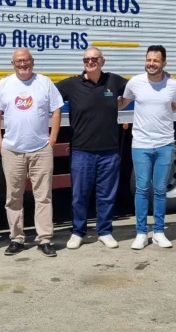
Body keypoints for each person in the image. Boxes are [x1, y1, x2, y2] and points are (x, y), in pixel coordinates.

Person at [0, 48, 63, 258]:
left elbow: (56, 109)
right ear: (12, 64)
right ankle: (16, 238)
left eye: (26, 60)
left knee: (44, 196)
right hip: (12, 150)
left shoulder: (44, 82)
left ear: (32, 61)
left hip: (41, 149)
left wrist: (52, 139)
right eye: (18, 61)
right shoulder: (4, 84)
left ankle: (45, 239)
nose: (22, 64)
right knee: (13, 197)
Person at [119, 45, 176, 250]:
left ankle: (158, 232)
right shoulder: (135, 82)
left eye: (156, 60)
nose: (151, 64)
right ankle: (141, 233)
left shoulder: (173, 85)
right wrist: (98, 104)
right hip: (141, 144)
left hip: (165, 144)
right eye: (148, 60)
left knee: (160, 190)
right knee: (142, 188)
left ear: (163, 63)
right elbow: (122, 103)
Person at [57, 47, 127, 250]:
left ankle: (104, 232)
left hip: (109, 151)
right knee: (80, 195)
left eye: (94, 59)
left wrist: (165, 78)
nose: (90, 62)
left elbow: (139, 87)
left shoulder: (114, 81)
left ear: (102, 61)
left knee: (106, 195)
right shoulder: (72, 84)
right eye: (86, 59)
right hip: (82, 151)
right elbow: (44, 91)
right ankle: (78, 232)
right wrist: (14, 82)